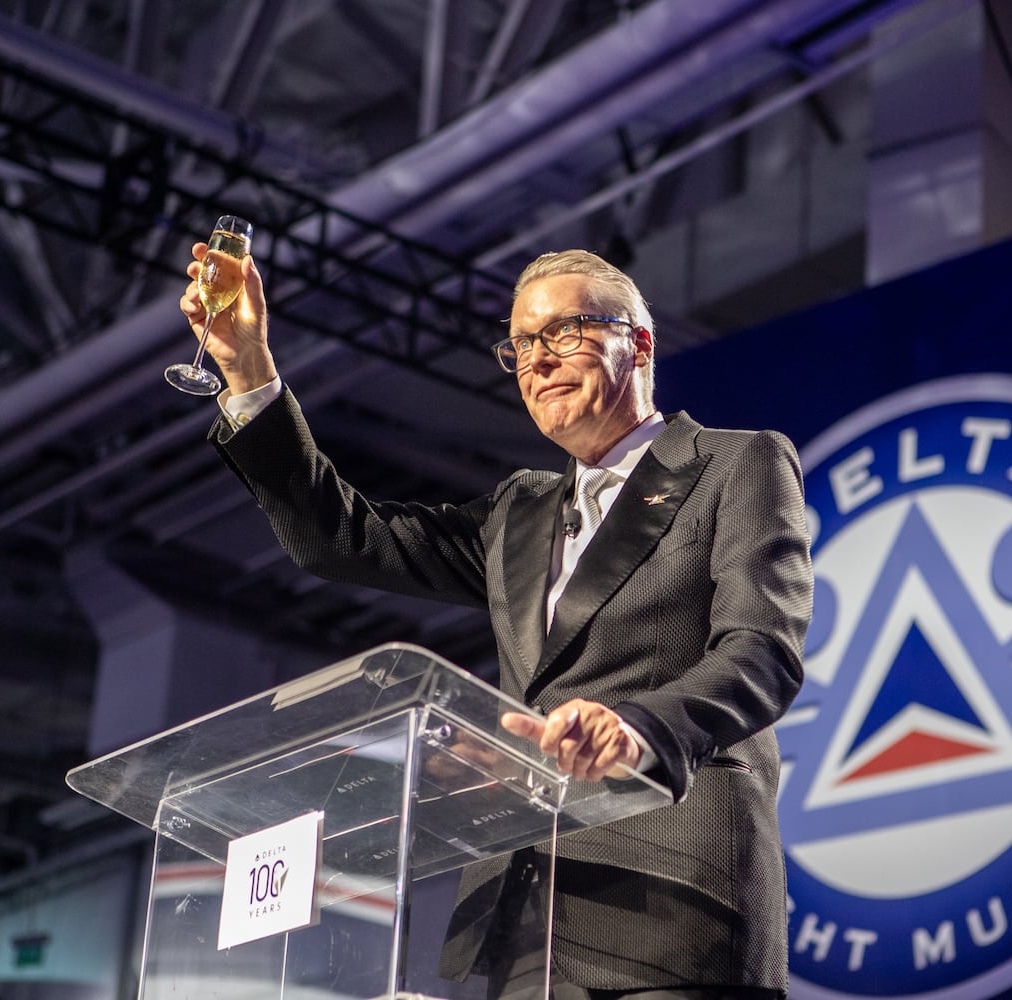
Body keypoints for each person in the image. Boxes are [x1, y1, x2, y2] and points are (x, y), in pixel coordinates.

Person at [180, 245, 812, 998]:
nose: (536, 362)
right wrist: (249, 370)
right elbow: (340, 537)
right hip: (526, 922)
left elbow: (761, 650)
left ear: (639, 343)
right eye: (519, 346)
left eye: (563, 332)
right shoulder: (521, 508)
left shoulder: (734, 465)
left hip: (673, 890)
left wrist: (639, 729)